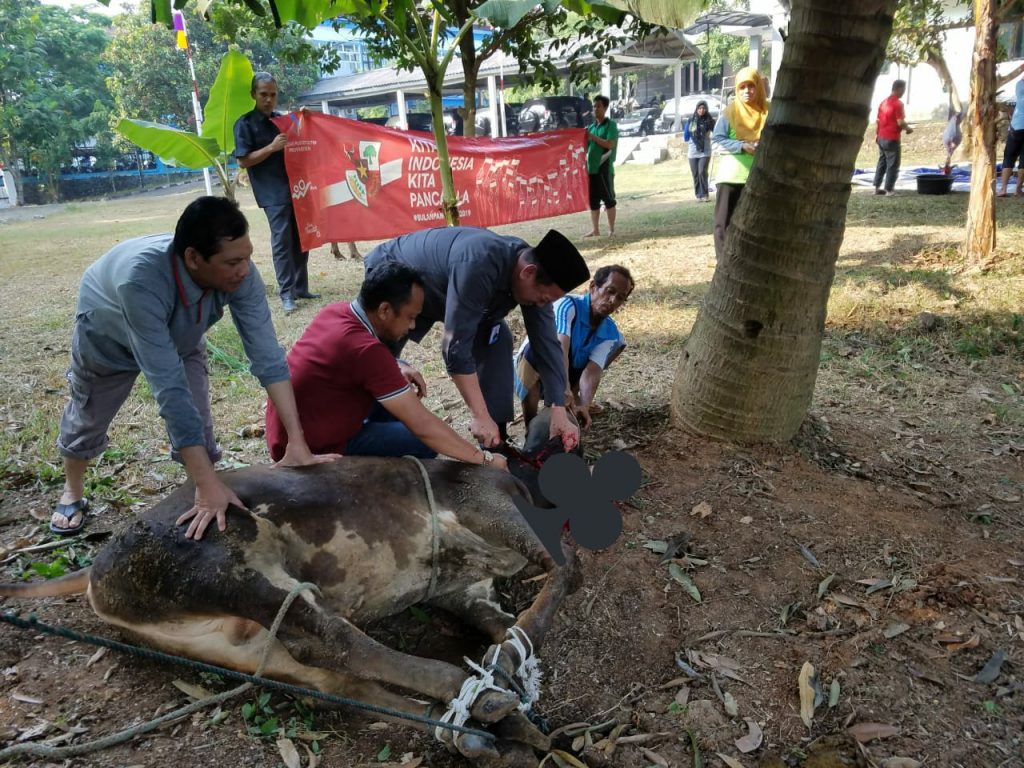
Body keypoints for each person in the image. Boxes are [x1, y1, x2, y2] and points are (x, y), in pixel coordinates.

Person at [52, 196, 334, 540]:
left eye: (247, 257)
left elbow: (267, 356)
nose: (244, 270)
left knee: (199, 416)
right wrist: (207, 483)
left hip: (182, 333)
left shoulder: (239, 272)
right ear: (193, 258)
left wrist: (297, 441)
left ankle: (201, 485)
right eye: (233, 262)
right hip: (107, 336)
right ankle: (73, 492)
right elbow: (169, 388)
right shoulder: (139, 282)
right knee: (89, 417)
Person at [363, 226, 590, 451]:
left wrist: (557, 409)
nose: (543, 304)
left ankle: (496, 436)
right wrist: (478, 416)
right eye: (543, 297)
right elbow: (455, 348)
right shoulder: (479, 262)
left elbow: (547, 343)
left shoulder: (533, 276)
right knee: (381, 358)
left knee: (497, 339)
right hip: (396, 276)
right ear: (527, 272)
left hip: (453, 291)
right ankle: (368, 430)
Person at [265, 262, 508, 471]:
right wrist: (484, 460)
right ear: (384, 310)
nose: (412, 326)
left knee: (398, 397)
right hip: (310, 445)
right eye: (410, 317)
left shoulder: (336, 312)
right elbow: (423, 427)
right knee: (422, 441)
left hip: (287, 430)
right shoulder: (367, 351)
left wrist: (395, 364)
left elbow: (349, 359)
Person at [234, 72, 318, 314]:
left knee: (302, 239)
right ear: (254, 95)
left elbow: (301, 132)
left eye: (273, 95)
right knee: (282, 242)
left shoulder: (282, 121)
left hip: (296, 188)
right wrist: (271, 148)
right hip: (272, 193)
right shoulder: (244, 124)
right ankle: (287, 294)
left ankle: (301, 287)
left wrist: (305, 118)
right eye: (263, 94)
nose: (269, 99)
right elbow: (243, 161)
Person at [514, 265, 634, 430]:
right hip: (537, 367)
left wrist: (584, 405)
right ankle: (531, 427)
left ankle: (572, 402)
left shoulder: (611, 334)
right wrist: (563, 388)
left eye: (620, 297)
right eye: (609, 291)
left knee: (618, 343)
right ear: (593, 287)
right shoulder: (567, 305)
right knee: (534, 352)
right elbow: (560, 347)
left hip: (568, 371)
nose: (613, 301)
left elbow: (592, 370)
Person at [712, 67, 769, 259]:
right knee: (723, 223)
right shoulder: (729, 113)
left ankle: (751, 259)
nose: (747, 91)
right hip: (730, 177)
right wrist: (741, 146)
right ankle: (723, 261)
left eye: (751, 86)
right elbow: (716, 141)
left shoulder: (768, 112)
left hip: (759, 177)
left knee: (755, 222)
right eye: (742, 87)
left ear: (759, 88)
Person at [584, 95, 619, 237]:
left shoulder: (611, 125)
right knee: (593, 201)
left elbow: (610, 144)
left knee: (609, 200)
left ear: (605, 108)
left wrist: (593, 137)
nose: (595, 109)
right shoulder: (591, 128)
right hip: (591, 170)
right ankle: (595, 230)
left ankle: (611, 230)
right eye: (593, 106)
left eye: (598, 106)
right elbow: (585, 148)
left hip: (604, 169)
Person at [873, 79, 914, 197]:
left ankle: (876, 187)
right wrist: (908, 129)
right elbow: (900, 122)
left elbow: (878, 121)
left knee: (882, 162)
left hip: (881, 137)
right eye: (904, 90)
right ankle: (889, 190)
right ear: (899, 89)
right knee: (893, 164)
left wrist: (877, 135)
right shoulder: (898, 104)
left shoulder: (883, 102)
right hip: (891, 138)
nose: (904, 92)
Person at [998, 66, 1024, 196]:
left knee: (1009, 157)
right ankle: (1018, 190)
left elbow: (1022, 77)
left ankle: (1003, 189)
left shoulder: (1020, 86)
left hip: (1017, 126)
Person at [684, 100, 715, 202]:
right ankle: (698, 195)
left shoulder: (709, 120)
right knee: (696, 174)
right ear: (696, 109)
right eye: (700, 108)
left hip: (705, 151)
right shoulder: (691, 120)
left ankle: (705, 194)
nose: (702, 110)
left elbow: (717, 131)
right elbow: (686, 137)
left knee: (702, 171)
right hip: (693, 151)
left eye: (703, 108)